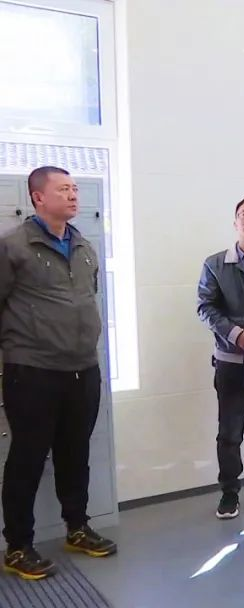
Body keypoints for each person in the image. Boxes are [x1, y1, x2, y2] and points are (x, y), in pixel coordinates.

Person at [0, 166, 117, 580]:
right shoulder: (13, 246)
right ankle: (18, 546)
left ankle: (77, 527)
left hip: (82, 368)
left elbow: (88, 297)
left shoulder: (84, 245)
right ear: (37, 197)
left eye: (74, 189)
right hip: (32, 370)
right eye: (63, 189)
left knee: (76, 453)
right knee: (28, 458)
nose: (73, 195)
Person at [196, 195, 244, 519]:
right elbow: (205, 307)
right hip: (231, 362)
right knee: (230, 433)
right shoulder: (215, 264)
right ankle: (229, 493)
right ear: (235, 222)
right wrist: (237, 334)